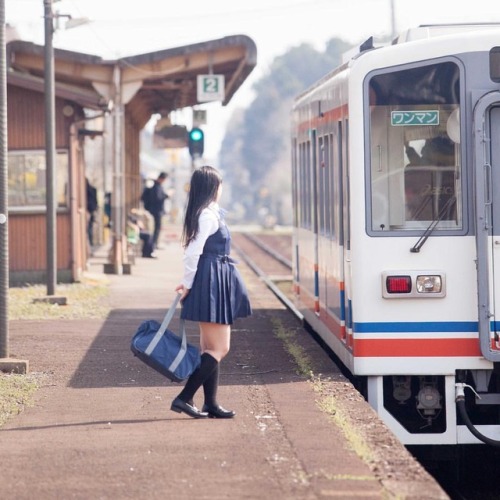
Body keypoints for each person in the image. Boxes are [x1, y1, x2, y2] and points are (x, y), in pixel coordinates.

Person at [172, 166, 252, 419]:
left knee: (209, 348)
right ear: (212, 188)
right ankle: (184, 398)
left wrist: (189, 283)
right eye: (219, 184)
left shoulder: (206, 213)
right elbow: (192, 252)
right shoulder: (208, 215)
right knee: (220, 347)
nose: (221, 189)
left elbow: (193, 250)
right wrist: (188, 284)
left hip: (210, 280)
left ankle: (211, 403)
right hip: (211, 283)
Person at [141, 172, 169, 250]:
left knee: (156, 228)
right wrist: (167, 195)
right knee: (156, 228)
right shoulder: (156, 186)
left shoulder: (156, 185)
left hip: (155, 210)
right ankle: (153, 244)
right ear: (162, 179)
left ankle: (154, 243)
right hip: (156, 211)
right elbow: (158, 198)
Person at [86, 178, 98, 246]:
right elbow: (95, 201)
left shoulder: (86, 190)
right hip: (91, 210)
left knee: (88, 228)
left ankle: (90, 243)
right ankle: (90, 242)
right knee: (90, 227)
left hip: (88, 210)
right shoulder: (93, 190)